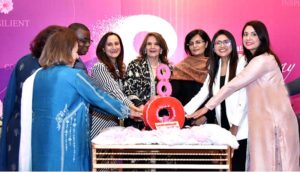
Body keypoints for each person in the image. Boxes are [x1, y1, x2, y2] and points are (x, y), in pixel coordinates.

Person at [20, 28, 142, 171]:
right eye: (75, 51)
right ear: (65, 51)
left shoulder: (38, 76)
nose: (77, 57)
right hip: (68, 149)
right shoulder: (75, 76)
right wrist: (128, 111)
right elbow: (99, 98)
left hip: (40, 145)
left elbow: (89, 102)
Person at [188, 20, 300, 171]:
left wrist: (207, 108)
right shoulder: (225, 64)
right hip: (262, 120)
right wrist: (183, 112)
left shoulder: (262, 60)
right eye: (245, 34)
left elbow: (234, 85)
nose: (248, 38)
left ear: (262, 37)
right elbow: (204, 92)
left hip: (275, 120)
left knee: (278, 164)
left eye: (253, 34)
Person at [0, 25, 65, 171]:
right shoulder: (56, 67)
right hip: (41, 129)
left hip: (17, 125)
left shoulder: (23, 61)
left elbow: (10, 99)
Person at [184, 30, 248, 171]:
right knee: (227, 167)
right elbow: (203, 93)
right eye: (218, 43)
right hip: (223, 126)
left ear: (233, 43)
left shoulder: (243, 62)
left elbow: (244, 97)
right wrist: (181, 113)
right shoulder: (215, 65)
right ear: (213, 47)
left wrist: (236, 125)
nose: (222, 46)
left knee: (239, 166)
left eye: (226, 42)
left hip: (241, 126)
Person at [90, 32, 142, 138]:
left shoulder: (120, 68)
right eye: (109, 44)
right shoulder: (100, 67)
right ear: (103, 49)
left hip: (114, 121)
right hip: (100, 121)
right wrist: (133, 108)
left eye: (116, 44)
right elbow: (114, 91)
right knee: (97, 153)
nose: (114, 47)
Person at [123, 32, 170, 129]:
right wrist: (141, 107)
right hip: (138, 116)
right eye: (149, 44)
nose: (152, 47)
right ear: (145, 48)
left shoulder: (168, 68)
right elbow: (128, 89)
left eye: (156, 44)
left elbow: (171, 94)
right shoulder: (135, 65)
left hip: (160, 118)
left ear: (161, 49)